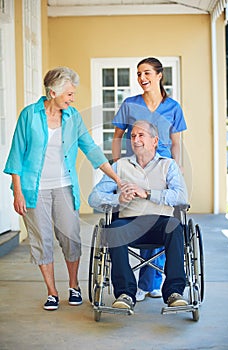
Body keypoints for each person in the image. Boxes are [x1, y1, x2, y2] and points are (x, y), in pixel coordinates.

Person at [3, 66, 121, 311]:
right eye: (69, 93)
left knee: (70, 237)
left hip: (64, 187)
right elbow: (16, 154)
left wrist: (118, 178)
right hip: (33, 190)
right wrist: (18, 192)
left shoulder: (73, 117)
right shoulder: (29, 116)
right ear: (53, 92)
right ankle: (52, 292)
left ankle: (74, 286)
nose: (72, 98)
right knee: (42, 240)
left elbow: (91, 149)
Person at [88, 120, 188, 313]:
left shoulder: (169, 166)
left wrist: (148, 193)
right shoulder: (120, 166)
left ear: (155, 140)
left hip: (161, 223)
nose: (135, 139)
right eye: (133, 136)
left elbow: (181, 196)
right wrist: (118, 198)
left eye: (141, 135)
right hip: (129, 223)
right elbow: (94, 198)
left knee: (175, 227)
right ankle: (125, 294)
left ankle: (174, 293)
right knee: (113, 229)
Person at [112, 57, 187, 302]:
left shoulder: (173, 106)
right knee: (139, 215)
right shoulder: (130, 104)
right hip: (137, 165)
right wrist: (115, 169)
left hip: (163, 168)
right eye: (139, 74)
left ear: (159, 75)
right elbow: (117, 137)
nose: (142, 78)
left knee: (163, 218)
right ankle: (142, 284)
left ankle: (150, 281)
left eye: (146, 73)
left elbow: (176, 143)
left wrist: (177, 169)